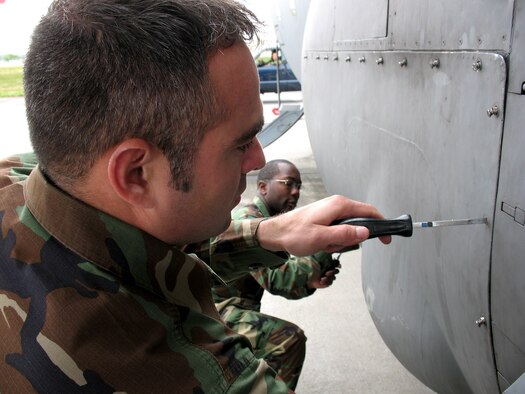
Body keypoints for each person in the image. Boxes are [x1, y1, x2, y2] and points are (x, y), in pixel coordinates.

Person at [0, 0, 390, 392]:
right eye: (241, 144)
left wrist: (267, 234)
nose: (259, 160)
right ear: (136, 173)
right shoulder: (194, 373)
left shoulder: (18, 174)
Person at [211, 159, 342, 390]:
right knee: (288, 339)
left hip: (236, 310)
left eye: (299, 186)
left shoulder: (270, 222)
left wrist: (314, 275)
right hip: (219, 313)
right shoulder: (249, 220)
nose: (296, 192)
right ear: (263, 187)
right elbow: (278, 279)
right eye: (288, 183)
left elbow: (290, 281)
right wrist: (323, 246)